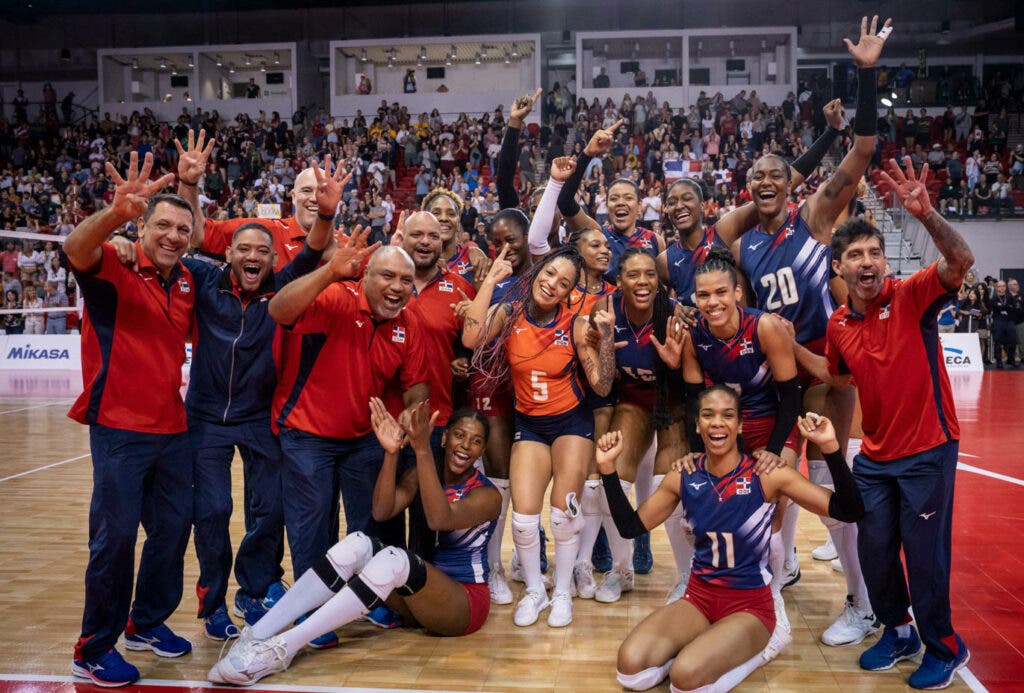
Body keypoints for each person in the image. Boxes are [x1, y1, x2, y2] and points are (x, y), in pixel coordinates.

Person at [791, 156, 974, 689]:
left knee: (924, 558)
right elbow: (839, 378)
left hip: (928, 450)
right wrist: (790, 345)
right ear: (839, 270)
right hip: (875, 455)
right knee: (873, 550)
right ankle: (898, 630)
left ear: (884, 264)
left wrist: (928, 215)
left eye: (874, 252)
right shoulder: (840, 322)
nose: (867, 261)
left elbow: (960, 260)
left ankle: (945, 646)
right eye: (855, 255)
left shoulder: (913, 295)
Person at [732, 17, 890, 622]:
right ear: (748, 189)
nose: (768, 182)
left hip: (826, 363)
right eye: (757, 178)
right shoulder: (744, 244)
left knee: (831, 472)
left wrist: (866, 78)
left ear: (789, 183)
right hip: (777, 371)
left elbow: (863, 152)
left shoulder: (816, 218)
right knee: (777, 468)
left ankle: (863, 601)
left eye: (777, 174)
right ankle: (784, 566)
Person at [208, 402, 500, 686]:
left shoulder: (488, 496)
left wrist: (422, 448)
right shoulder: (423, 473)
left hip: (463, 604)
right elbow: (382, 511)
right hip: (421, 601)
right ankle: (257, 634)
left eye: (475, 442)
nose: (465, 446)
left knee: (395, 559)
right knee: (359, 543)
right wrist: (390, 454)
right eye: (460, 435)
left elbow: (439, 518)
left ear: (482, 451)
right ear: (446, 437)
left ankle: (282, 649)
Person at [599, 387, 864, 692]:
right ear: (697, 425)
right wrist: (607, 469)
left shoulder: (767, 473)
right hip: (698, 599)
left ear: (739, 426)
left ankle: (762, 646)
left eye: (728, 415)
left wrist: (830, 447)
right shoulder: (684, 475)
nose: (717, 423)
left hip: (750, 606)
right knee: (630, 668)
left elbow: (849, 509)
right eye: (708, 415)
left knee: (685, 679)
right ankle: (703, 648)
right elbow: (630, 526)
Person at [178, 156, 338, 638]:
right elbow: (174, 242)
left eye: (261, 252)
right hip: (205, 417)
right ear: (228, 255)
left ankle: (255, 587)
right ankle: (212, 603)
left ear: (273, 259)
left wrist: (326, 214)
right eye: (242, 249)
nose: (252, 257)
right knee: (212, 511)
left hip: (258, 415)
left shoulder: (283, 287)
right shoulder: (203, 280)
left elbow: (312, 252)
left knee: (270, 509)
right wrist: (187, 184)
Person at [63, 153, 191, 687]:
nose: (173, 235)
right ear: (142, 225)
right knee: (114, 541)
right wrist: (114, 215)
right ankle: (93, 649)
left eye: (183, 229)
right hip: (119, 429)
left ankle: (146, 623)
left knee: (172, 530)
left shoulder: (186, 281)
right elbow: (75, 249)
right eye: (162, 224)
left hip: (173, 427)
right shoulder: (113, 267)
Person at [463, 245, 616, 628]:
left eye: (564, 283)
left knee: (564, 516)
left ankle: (562, 592)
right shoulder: (509, 312)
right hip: (529, 423)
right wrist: (492, 282)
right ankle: (535, 590)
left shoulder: (576, 324)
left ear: (569, 293)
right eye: (549, 275)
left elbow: (601, 385)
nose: (552, 285)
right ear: (537, 273)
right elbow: (471, 338)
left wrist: (608, 339)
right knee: (523, 522)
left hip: (571, 423)